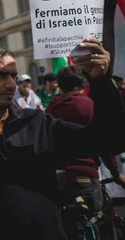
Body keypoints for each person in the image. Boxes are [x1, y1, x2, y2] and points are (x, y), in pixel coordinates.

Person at [0, 41, 125, 240]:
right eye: (1, 75)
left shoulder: (37, 123)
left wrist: (101, 80)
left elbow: (109, 141)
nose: (11, 84)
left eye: (13, 75)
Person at [45, 65, 125, 238]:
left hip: (58, 178)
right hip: (84, 178)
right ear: (82, 82)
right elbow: (103, 143)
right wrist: (116, 173)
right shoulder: (88, 105)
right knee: (98, 225)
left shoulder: (51, 107)